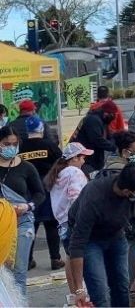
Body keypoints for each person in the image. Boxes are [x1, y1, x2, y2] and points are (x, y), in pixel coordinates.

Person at [67, 163, 135, 307]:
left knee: (121, 286)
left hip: (116, 235)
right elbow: (77, 245)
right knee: (100, 291)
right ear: (127, 192)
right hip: (90, 240)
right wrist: (78, 289)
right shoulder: (94, 198)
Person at [0, 126, 45, 295]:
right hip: (2, 224)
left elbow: (40, 193)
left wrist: (28, 206)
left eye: (14, 143)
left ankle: (20, 303)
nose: (11, 147)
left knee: (19, 270)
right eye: (6, 144)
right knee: (3, 271)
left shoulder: (26, 167)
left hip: (22, 222)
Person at [45, 142, 91, 296]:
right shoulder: (74, 172)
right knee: (80, 260)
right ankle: (82, 293)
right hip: (75, 222)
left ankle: (74, 294)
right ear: (73, 158)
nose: (84, 161)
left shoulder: (59, 173)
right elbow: (75, 197)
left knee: (70, 258)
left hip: (62, 223)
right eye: (82, 157)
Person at [19, 116, 64, 271]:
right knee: (51, 225)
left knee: (30, 226)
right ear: (41, 128)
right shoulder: (49, 145)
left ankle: (28, 259)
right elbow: (62, 163)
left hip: (28, 193)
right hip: (47, 190)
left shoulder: (21, 147)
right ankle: (55, 259)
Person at [69, 100, 118, 173]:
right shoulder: (93, 120)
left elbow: (109, 137)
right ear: (106, 113)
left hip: (91, 158)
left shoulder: (102, 121)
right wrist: (115, 148)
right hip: (84, 159)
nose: (113, 117)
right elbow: (97, 140)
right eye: (112, 114)